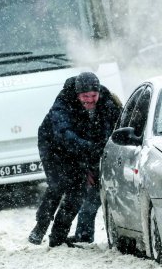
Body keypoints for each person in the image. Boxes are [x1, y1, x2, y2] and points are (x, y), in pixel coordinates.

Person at [28, 72, 122, 247]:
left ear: (99, 92)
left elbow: (110, 132)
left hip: (82, 147)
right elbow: (64, 135)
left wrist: (90, 165)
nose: (90, 100)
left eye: (93, 95)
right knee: (58, 184)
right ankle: (40, 226)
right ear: (77, 95)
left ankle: (57, 237)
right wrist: (88, 152)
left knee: (77, 193)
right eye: (85, 96)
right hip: (54, 146)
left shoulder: (107, 102)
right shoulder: (63, 102)